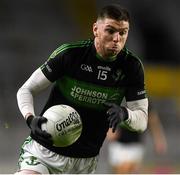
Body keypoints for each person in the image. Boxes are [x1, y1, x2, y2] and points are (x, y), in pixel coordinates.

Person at [15, 4, 148, 174]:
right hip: (44, 153)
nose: (117, 38)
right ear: (95, 29)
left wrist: (125, 114)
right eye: (110, 31)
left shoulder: (132, 67)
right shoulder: (70, 55)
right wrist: (30, 118)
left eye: (123, 32)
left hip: (85, 163)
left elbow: (142, 120)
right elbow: (26, 90)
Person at [106, 101, 167, 174]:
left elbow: (153, 121)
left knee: (125, 170)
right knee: (118, 171)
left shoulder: (143, 99)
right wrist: (109, 128)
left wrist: (159, 139)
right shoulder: (119, 96)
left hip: (135, 144)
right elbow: (109, 112)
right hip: (118, 143)